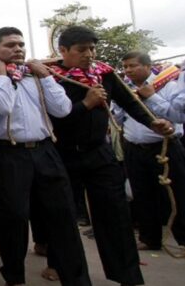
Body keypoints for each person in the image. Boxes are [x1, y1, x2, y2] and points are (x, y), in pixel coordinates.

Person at [50, 26, 173, 286]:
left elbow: (131, 103)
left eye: (92, 48)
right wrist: (86, 104)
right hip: (63, 156)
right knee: (63, 219)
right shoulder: (51, 78)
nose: (89, 54)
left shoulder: (102, 74)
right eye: (81, 50)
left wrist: (154, 122)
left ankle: (128, 276)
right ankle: (71, 277)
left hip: (99, 153)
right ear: (63, 51)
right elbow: (54, 118)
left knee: (116, 214)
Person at [0, 27, 91, 286]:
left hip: (45, 150)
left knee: (62, 215)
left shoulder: (36, 75)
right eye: (10, 45)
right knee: (14, 218)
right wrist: (1, 74)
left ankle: (76, 279)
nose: (18, 49)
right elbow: (2, 106)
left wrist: (47, 78)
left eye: (21, 44)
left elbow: (62, 110)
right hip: (8, 153)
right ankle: (14, 277)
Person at [116, 51, 185, 251]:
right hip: (135, 149)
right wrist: (123, 103)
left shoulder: (169, 85)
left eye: (133, 66)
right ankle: (149, 238)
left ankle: (182, 238)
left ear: (147, 66)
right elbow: (117, 119)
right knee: (142, 195)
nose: (128, 70)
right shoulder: (125, 88)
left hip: (165, 147)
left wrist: (152, 97)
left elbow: (178, 116)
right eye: (126, 67)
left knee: (177, 193)